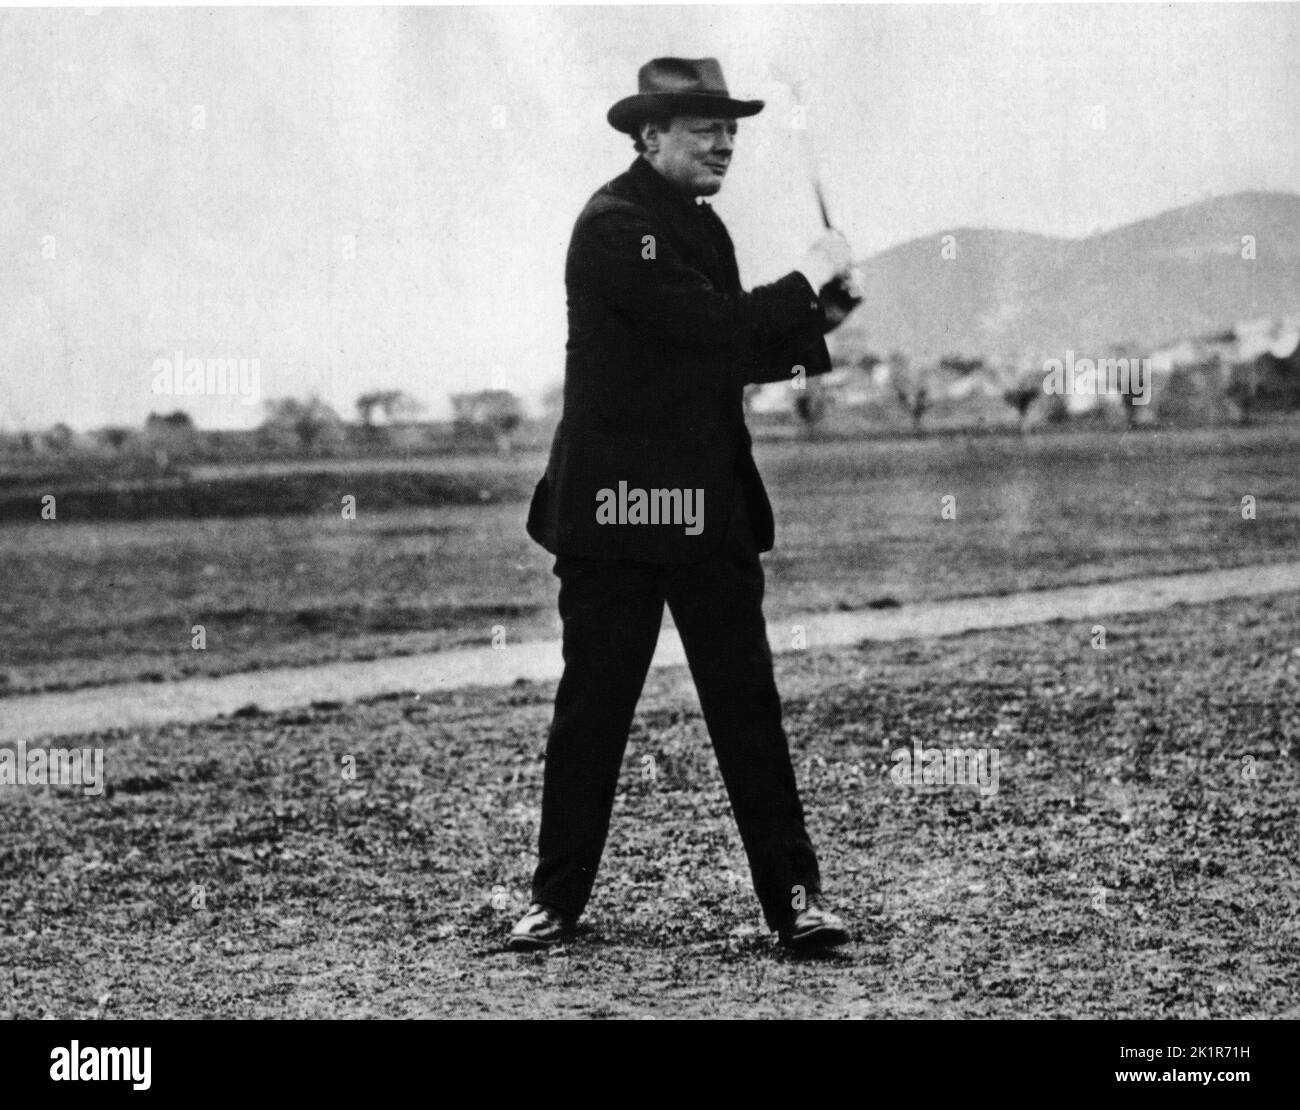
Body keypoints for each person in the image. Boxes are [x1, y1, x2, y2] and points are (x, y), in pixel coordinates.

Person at [513, 57, 855, 950]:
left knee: (748, 706)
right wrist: (808, 279)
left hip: (706, 512)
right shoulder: (616, 227)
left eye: (732, 126)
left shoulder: (700, 229)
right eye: (704, 126)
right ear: (648, 135)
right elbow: (709, 329)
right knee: (594, 709)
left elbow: (723, 352)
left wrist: (818, 323)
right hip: (620, 515)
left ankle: (795, 901)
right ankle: (555, 900)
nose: (724, 140)